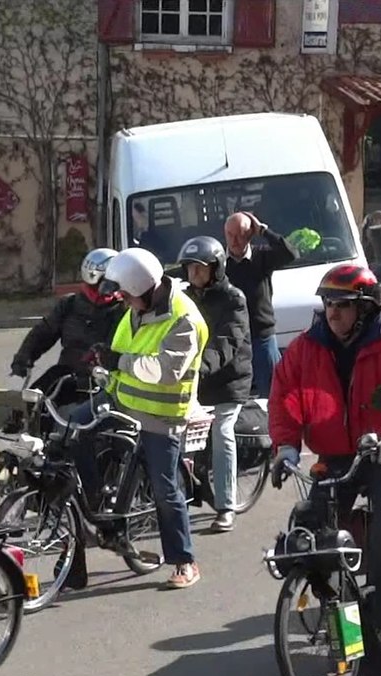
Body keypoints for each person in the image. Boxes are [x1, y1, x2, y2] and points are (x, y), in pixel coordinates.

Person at [269, 263, 381, 667]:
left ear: (364, 308)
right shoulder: (307, 348)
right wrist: (286, 446)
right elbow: (283, 396)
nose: (333, 312)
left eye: (342, 304)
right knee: (309, 526)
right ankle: (334, 607)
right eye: (328, 304)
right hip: (334, 454)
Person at [76, 247, 209, 589]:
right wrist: (102, 357)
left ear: (146, 291)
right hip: (121, 399)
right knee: (75, 429)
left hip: (160, 416)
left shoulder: (183, 320)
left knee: (165, 489)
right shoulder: (138, 307)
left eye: (128, 297)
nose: (124, 303)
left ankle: (184, 561)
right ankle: (98, 511)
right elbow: (126, 347)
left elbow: (165, 371)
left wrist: (117, 360)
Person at [176, 235, 252, 533]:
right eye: (190, 268)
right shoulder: (184, 298)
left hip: (229, 380)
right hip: (194, 379)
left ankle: (226, 505)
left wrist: (200, 367)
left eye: (201, 268)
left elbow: (226, 343)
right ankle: (175, 497)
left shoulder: (234, 299)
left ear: (216, 268)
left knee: (222, 433)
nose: (194, 274)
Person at [10, 248, 123, 403]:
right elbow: (44, 332)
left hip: (105, 377)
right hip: (67, 371)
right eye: (112, 279)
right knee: (34, 401)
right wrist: (23, 358)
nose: (117, 284)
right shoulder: (69, 304)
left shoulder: (125, 310)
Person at [223, 211, 298, 398]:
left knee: (274, 394)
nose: (234, 241)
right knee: (235, 398)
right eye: (230, 235)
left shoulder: (261, 257)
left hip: (262, 339)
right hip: (232, 341)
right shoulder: (219, 263)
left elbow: (290, 254)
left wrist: (263, 231)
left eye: (240, 235)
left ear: (250, 234)